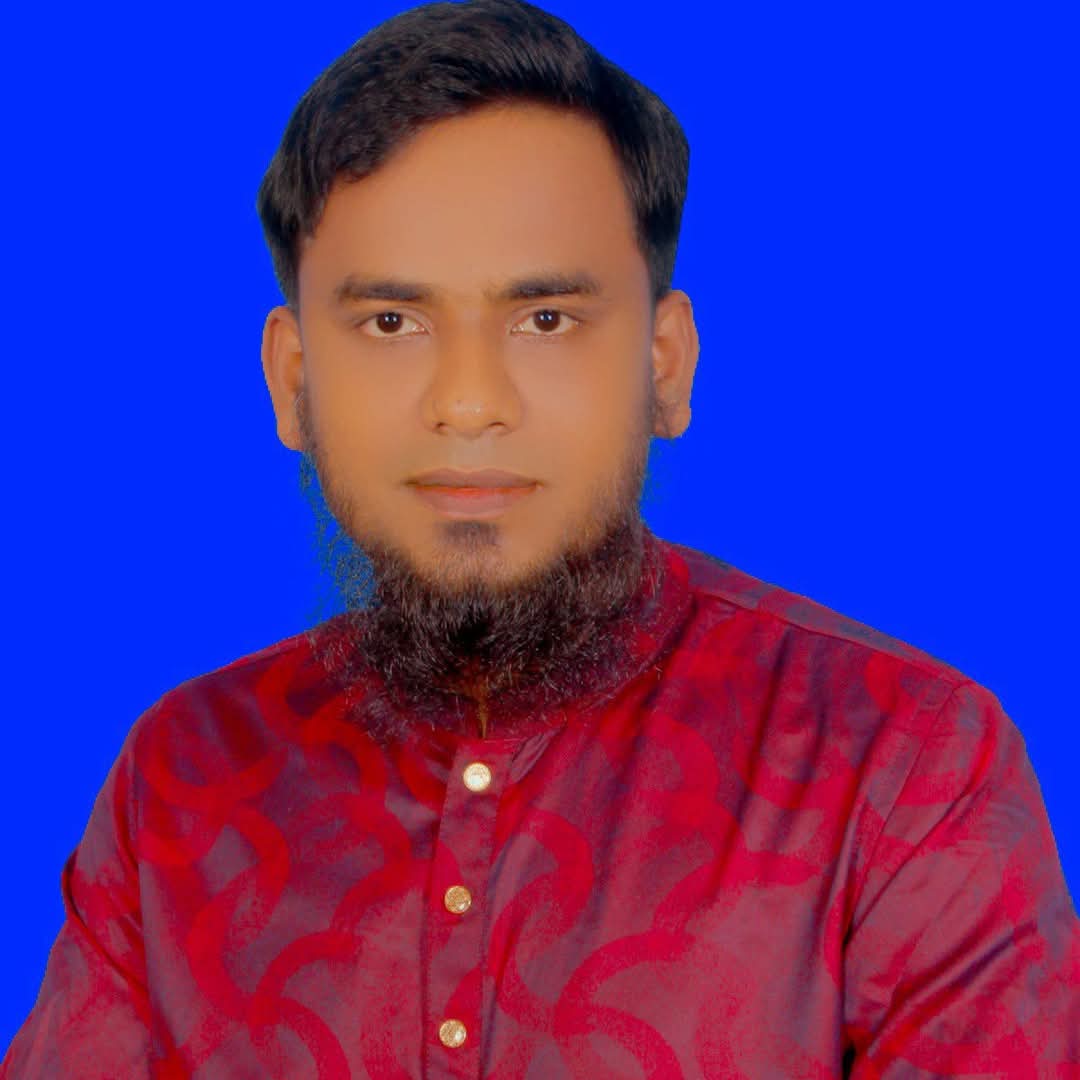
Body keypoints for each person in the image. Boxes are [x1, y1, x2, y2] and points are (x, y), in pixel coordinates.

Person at [4, 0, 1077, 1075]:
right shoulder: (183, 778)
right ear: (292, 382)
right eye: (392, 322)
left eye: (546, 319)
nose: (470, 403)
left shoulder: (902, 765)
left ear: (664, 364)